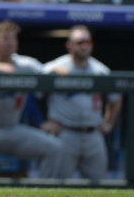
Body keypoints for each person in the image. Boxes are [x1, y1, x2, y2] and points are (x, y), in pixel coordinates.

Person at [0, 20, 63, 178]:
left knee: (54, 147)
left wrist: (54, 69)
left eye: (13, 38)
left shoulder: (25, 64)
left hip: (13, 129)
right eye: (6, 38)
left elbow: (44, 70)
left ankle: (44, 195)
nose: (11, 43)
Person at [42, 25, 122, 180]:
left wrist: (109, 122)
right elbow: (31, 93)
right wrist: (41, 122)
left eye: (88, 41)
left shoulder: (100, 70)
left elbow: (116, 97)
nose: (84, 46)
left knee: (99, 188)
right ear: (69, 46)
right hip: (65, 133)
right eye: (79, 42)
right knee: (58, 186)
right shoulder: (54, 67)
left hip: (93, 135)